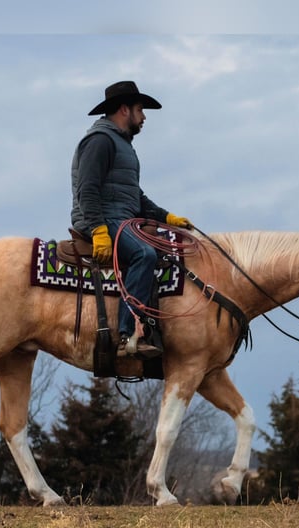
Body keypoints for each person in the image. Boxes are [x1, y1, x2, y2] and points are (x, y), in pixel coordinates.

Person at [70, 81, 192, 358]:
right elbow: (86, 190)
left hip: (122, 219)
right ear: (125, 109)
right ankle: (129, 335)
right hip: (104, 219)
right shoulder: (100, 140)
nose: (145, 117)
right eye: (140, 110)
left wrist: (167, 218)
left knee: (172, 251)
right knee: (144, 254)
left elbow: (135, 197)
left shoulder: (121, 145)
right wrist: (99, 229)